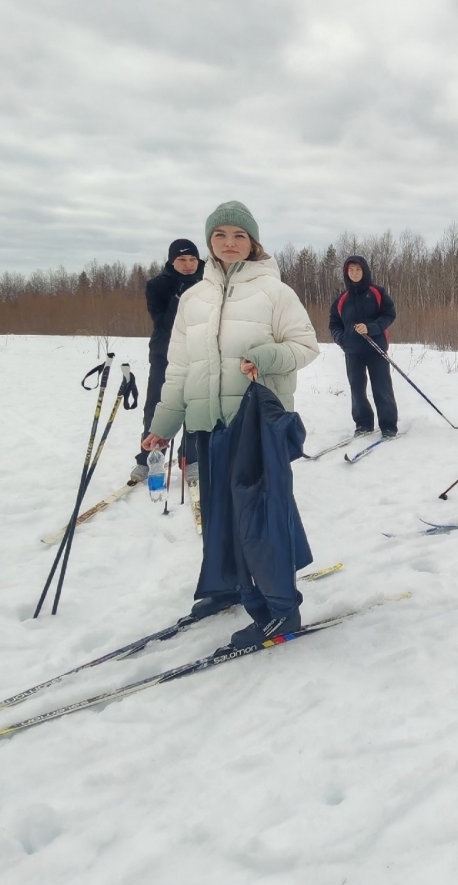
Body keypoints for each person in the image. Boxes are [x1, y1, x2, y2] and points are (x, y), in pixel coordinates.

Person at [143, 201, 320, 647]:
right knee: (219, 512)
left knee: (261, 517)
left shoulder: (275, 292)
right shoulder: (193, 299)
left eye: (239, 235)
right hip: (208, 423)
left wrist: (265, 356)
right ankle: (229, 587)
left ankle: (281, 609)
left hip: (255, 421)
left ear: (253, 242)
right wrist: (164, 424)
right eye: (220, 235)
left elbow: (305, 345)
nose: (229, 243)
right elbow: (179, 368)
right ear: (209, 242)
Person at [131, 239, 203, 484]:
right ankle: (148, 458)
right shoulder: (158, 285)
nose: (188, 264)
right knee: (157, 405)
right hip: (165, 354)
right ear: (172, 261)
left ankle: (191, 458)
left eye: (192, 259)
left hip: (199, 353)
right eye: (182, 260)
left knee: (196, 406)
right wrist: (179, 297)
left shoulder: (209, 283)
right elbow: (162, 323)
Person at [328, 255, 399, 437]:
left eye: (358, 269)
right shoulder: (342, 299)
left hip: (376, 348)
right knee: (357, 389)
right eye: (351, 270)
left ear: (365, 271)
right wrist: (342, 338)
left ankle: (388, 425)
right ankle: (363, 424)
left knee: (382, 387)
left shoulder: (377, 292)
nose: (354, 273)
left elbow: (389, 314)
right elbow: (334, 323)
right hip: (353, 351)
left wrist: (371, 327)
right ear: (346, 273)